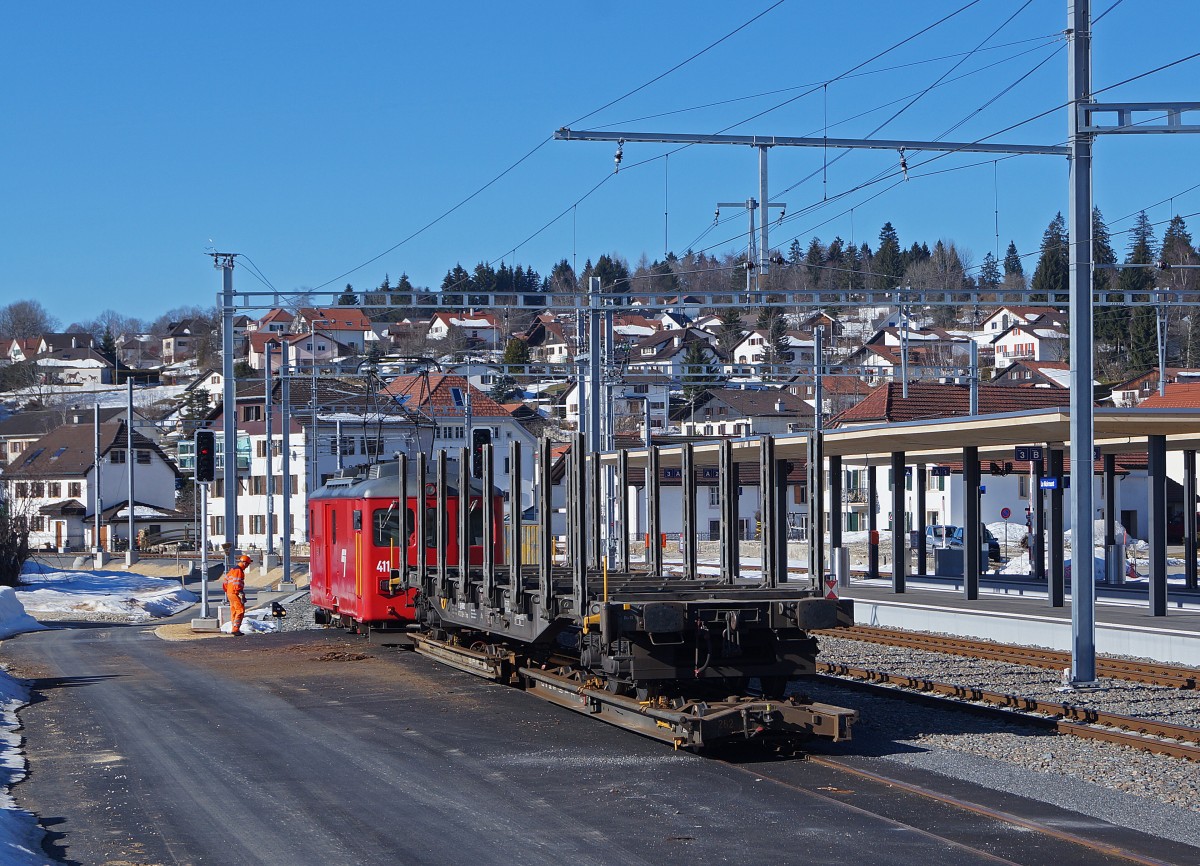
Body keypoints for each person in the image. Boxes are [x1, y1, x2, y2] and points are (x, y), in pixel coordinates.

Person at [222, 554, 250, 635]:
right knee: (240, 610)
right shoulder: (239, 571)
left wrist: (227, 590)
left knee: (234, 610)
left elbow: (225, 582)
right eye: (247, 564)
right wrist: (240, 592)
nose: (247, 566)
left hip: (229, 592)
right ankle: (235, 629)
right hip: (235, 592)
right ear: (244, 563)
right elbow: (237, 584)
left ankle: (234, 627)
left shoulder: (232, 570)